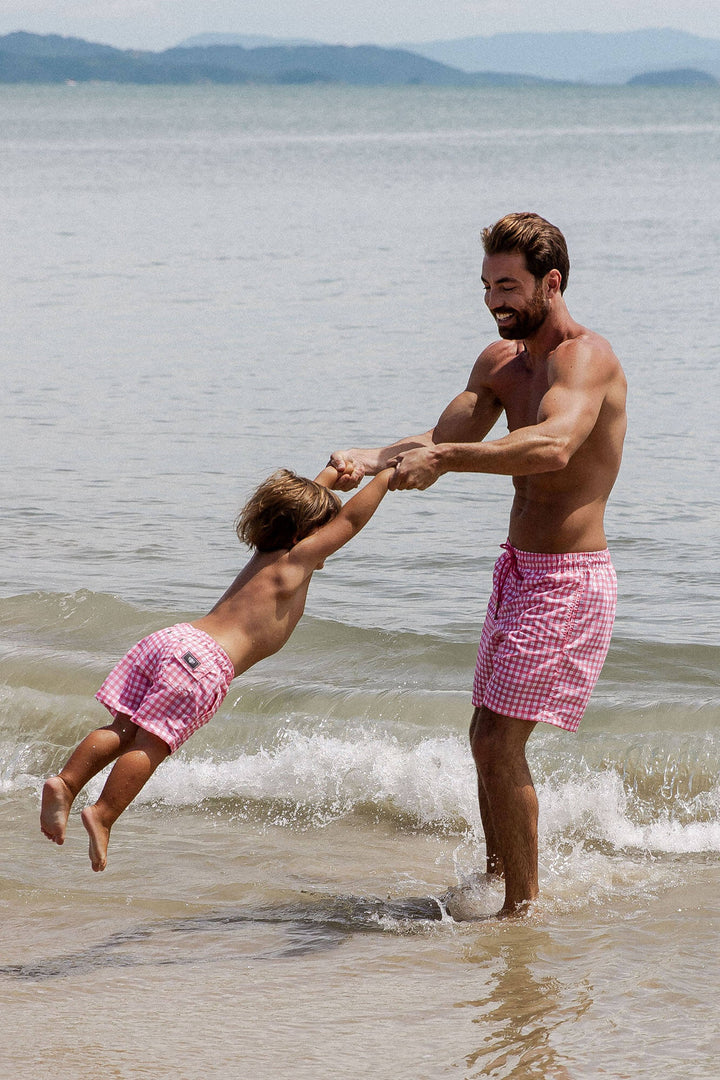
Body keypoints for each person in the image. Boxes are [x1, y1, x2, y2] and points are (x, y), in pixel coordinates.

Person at [331, 212, 627, 917]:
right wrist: (374, 457)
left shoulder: (586, 360)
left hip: (569, 579)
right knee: (483, 739)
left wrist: (446, 461)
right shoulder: (499, 364)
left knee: (499, 741)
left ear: (551, 282)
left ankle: (520, 913)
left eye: (509, 286)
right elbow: (442, 437)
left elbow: (554, 446)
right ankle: (499, 882)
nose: (495, 299)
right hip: (517, 571)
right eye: (488, 285)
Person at [41, 463, 392, 872]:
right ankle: (103, 813)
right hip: (204, 664)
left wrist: (332, 474)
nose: (327, 538)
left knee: (122, 728)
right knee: (151, 746)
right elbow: (349, 520)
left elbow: (297, 507)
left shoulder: (267, 554)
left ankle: (65, 783)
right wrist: (386, 477)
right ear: (303, 536)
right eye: (322, 530)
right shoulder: (293, 564)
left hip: (171, 641)